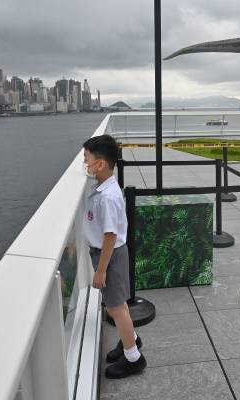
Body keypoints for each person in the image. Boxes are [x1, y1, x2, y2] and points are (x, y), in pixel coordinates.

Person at [82, 134, 146, 379]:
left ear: (101, 164)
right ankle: (132, 340)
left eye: (86, 159)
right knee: (118, 305)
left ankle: (133, 358)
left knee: (116, 308)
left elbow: (109, 235)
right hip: (112, 254)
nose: (84, 164)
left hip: (110, 256)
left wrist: (101, 270)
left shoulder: (108, 197)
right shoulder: (105, 185)